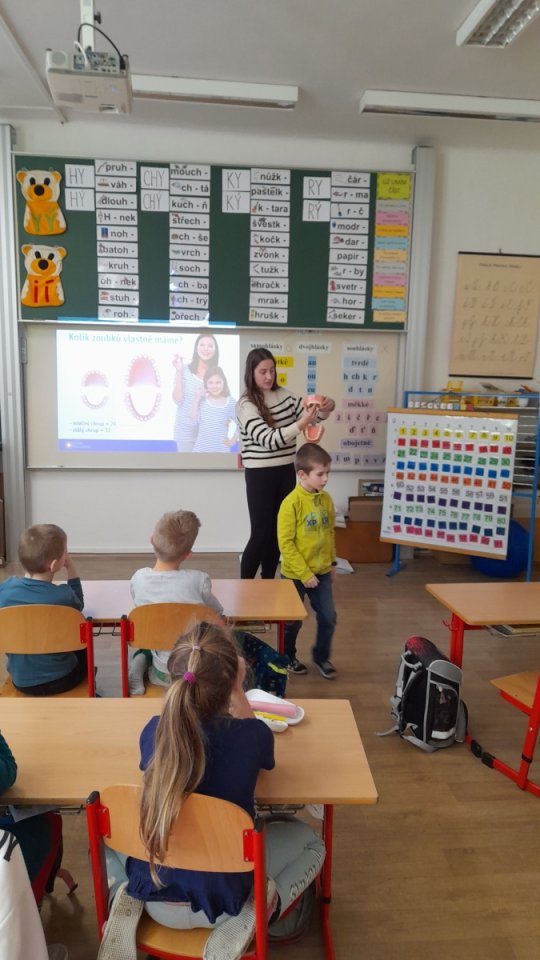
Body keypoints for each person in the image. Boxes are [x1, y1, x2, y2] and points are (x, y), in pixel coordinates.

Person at [100, 622, 325, 960]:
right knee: (313, 843)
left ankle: (125, 893)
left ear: (174, 679)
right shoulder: (252, 737)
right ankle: (258, 908)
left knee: (106, 835)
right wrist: (238, 693)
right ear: (234, 680)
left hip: (156, 898)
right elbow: (261, 750)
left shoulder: (154, 732)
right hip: (226, 905)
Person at [236, 348, 335, 579]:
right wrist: (301, 424)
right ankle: (244, 585)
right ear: (251, 373)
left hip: (285, 471)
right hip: (260, 475)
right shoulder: (245, 405)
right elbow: (268, 440)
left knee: (280, 532)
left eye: (272, 370)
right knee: (260, 534)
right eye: (263, 372)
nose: (269, 376)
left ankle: (268, 581)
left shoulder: (285, 396)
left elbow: (313, 416)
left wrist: (326, 406)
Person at [128, 510, 224, 694]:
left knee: (149, 639)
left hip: (160, 673)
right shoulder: (199, 581)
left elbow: (140, 610)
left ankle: (139, 664)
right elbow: (216, 614)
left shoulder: (138, 579)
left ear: (151, 540)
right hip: (196, 672)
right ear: (188, 554)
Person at [0, 524, 86, 695]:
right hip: (63, 679)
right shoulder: (64, 596)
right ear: (53, 565)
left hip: (21, 681)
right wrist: (71, 568)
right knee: (83, 641)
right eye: (65, 552)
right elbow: (79, 605)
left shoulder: (4, 589)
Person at [277, 443, 337, 679]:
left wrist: (332, 563)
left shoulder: (326, 500)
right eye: (320, 474)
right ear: (302, 474)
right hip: (295, 574)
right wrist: (304, 574)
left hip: (321, 572)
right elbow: (286, 544)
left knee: (329, 617)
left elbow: (330, 533)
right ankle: (287, 657)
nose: (325, 479)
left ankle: (321, 657)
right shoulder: (291, 503)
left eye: (327, 473)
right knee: (292, 622)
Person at [172, 334, 219, 452]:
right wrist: (179, 371)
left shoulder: (217, 374)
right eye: (202, 345)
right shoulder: (184, 369)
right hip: (185, 433)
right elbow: (177, 400)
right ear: (196, 348)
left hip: (206, 434)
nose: (206, 349)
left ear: (215, 350)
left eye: (210, 346)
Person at [192, 366, 238, 453]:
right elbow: (193, 421)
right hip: (200, 451)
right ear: (206, 384)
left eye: (218, 382)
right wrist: (196, 398)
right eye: (210, 383)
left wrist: (234, 438)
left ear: (224, 382)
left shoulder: (230, 402)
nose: (214, 386)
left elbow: (241, 423)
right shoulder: (202, 400)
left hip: (221, 451)